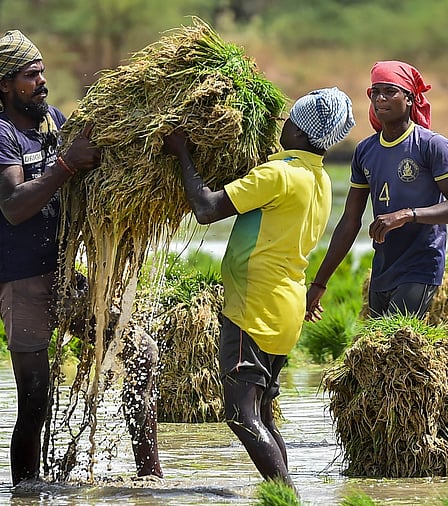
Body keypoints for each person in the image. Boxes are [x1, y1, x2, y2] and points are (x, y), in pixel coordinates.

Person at [0, 30, 162, 485]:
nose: (42, 81)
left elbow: (92, 158)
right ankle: (26, 490)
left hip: (65, 272)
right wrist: (67, 164)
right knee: (35, 397)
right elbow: (13, 206)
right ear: (5, 86)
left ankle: (150, 479)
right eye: (31, 75)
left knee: (141, 352)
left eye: (43, 72)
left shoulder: (52, 120)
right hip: (22, 279)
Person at [163, 87, 356, 488]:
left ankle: (284, 495)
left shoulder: (279, 174)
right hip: (285, 309)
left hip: (254, 308)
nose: (283, 126)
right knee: (263, 414)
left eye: (290, 121)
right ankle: (284, 494)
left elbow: (206, 208)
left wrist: (182, 152)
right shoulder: (318, 179)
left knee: (240, 414)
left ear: (301, 133)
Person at [305, 61, 448, 322]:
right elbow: (349, 222)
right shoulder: (365, 151)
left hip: (420, 265)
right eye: (375, 92)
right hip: (382, 268)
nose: (380, 98)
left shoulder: (432, 145)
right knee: (379, 354)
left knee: (394, 343)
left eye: (390, 91)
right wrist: (319, 283)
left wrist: (405, 215)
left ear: (409, 98)